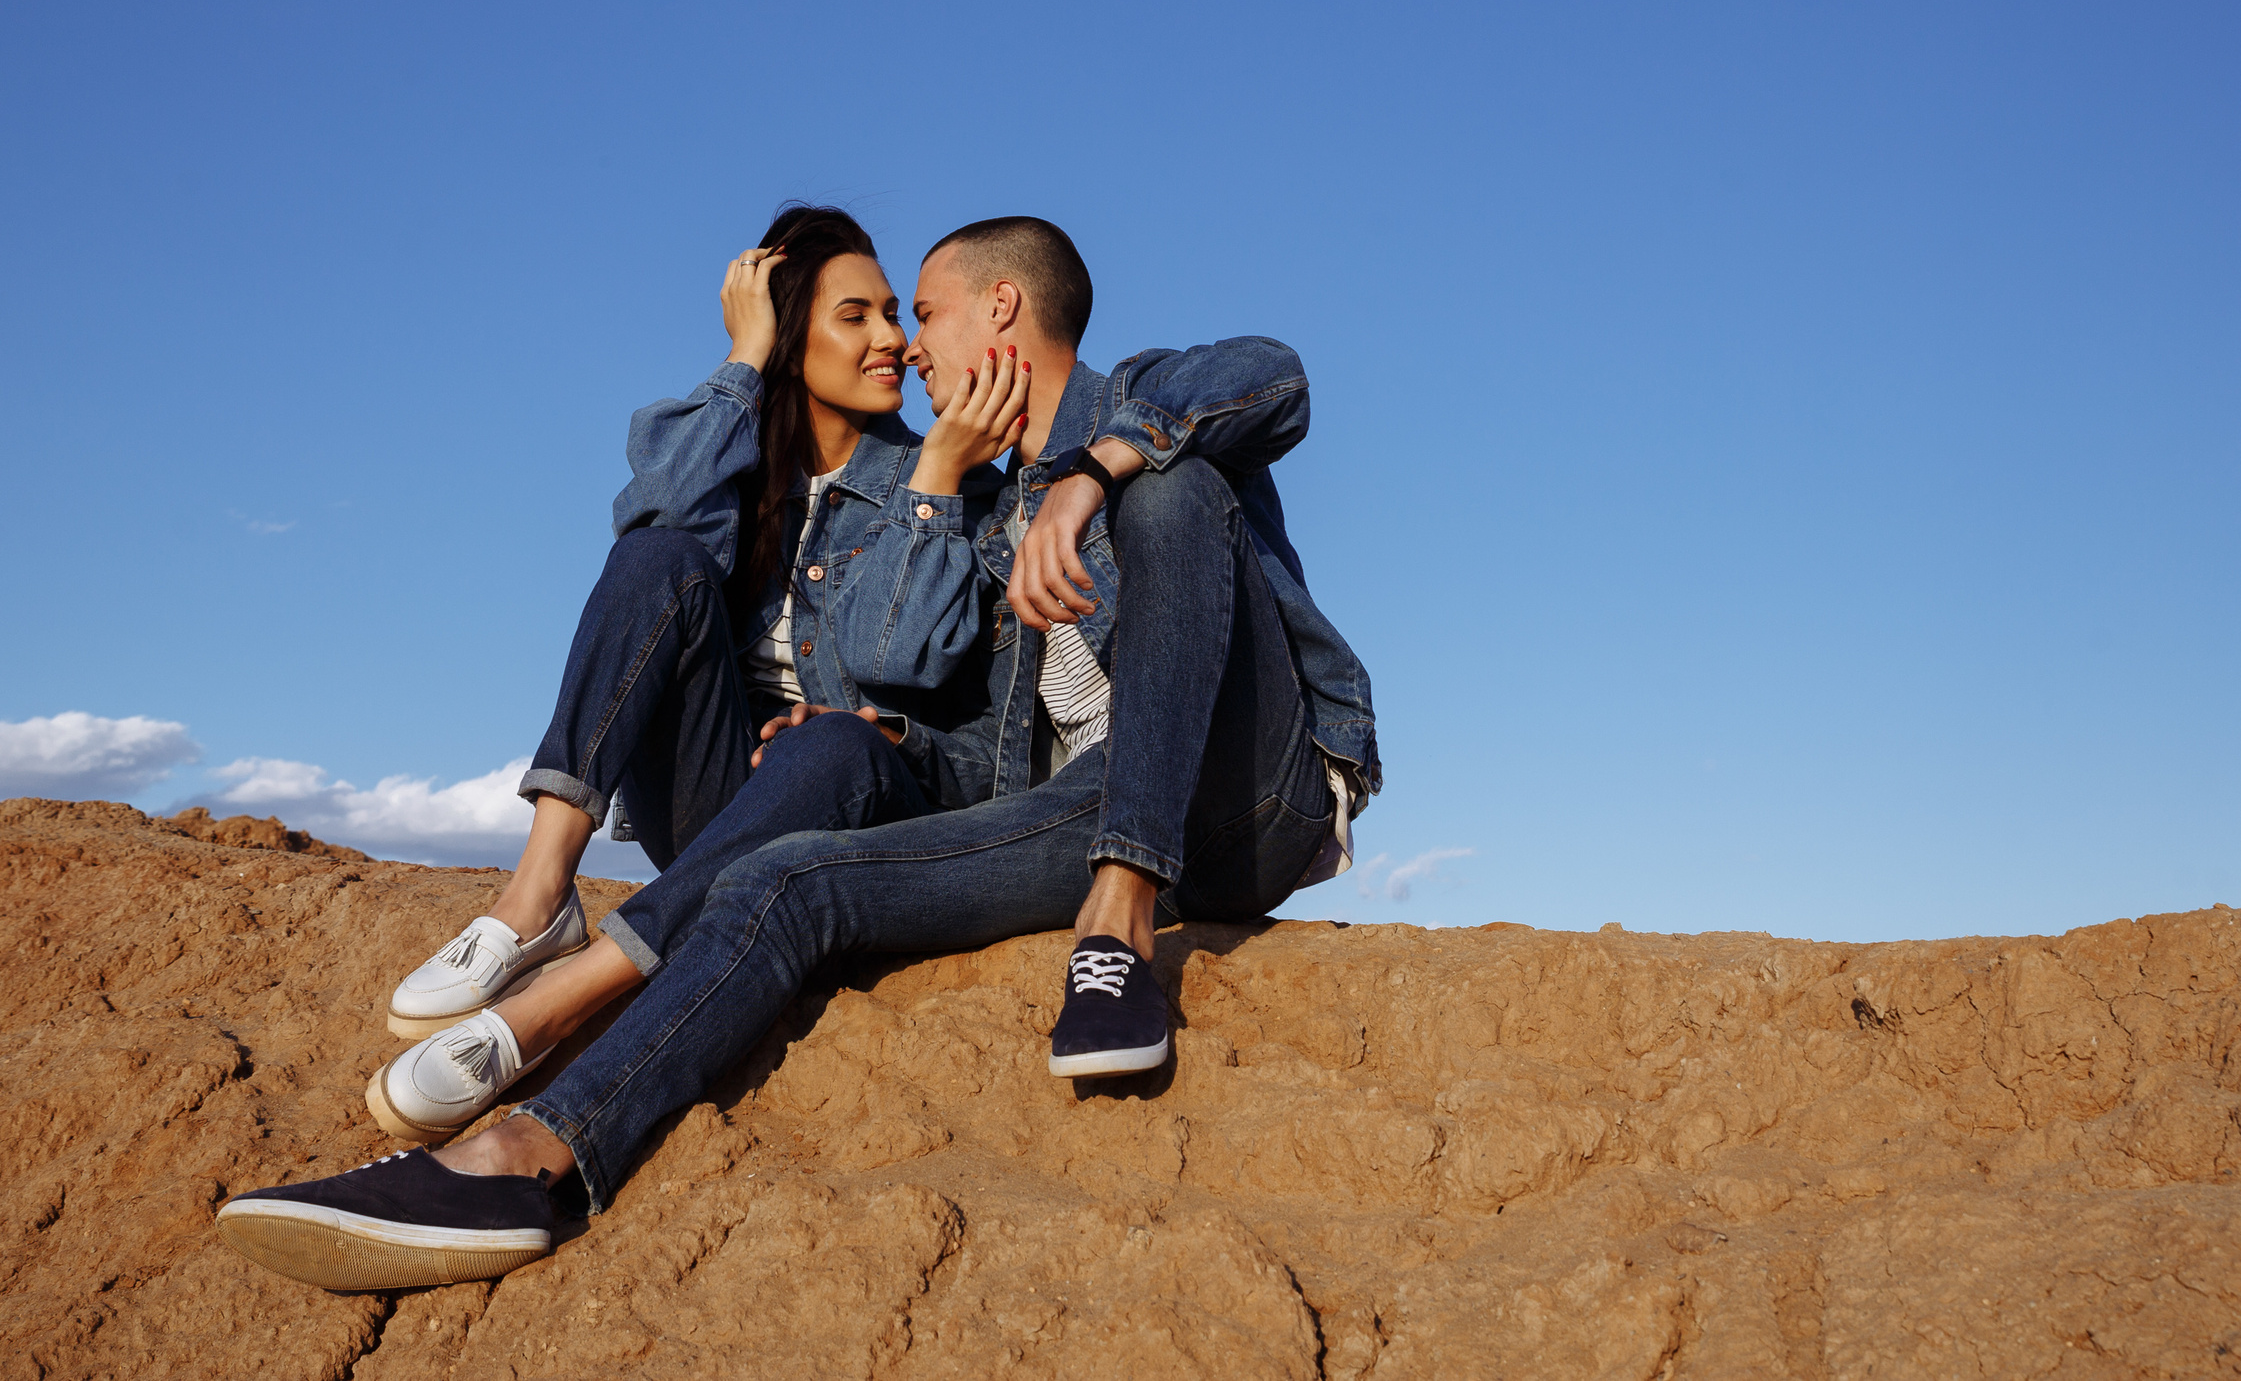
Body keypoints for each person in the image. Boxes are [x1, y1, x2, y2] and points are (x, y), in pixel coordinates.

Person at [216, 216, 1381, 1292]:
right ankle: (526, 1158)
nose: (912, 350)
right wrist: (877, 737)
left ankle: (1118, 927)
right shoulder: (982, 514)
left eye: (922, 313)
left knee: (1172, 492)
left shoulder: (1133, 402)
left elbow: (1270, 373)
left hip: (1245, 798)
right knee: (785, 881)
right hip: (1073, 811)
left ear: (1004, 312)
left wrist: (1090, 476)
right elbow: (955, 724)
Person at [364, 204, 1026, 1141]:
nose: (893, 341)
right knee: (659, 556)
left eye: (895, 313)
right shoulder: (741, 473)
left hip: (858, 825)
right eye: (856, 316)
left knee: (834, 742)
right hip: (728, 812)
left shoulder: (954, 485)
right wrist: (745, 360)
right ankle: (538, 894)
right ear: (792, 334)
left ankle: (570, 994)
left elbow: (945, 703)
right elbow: (657, 515)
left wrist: (883, 728)